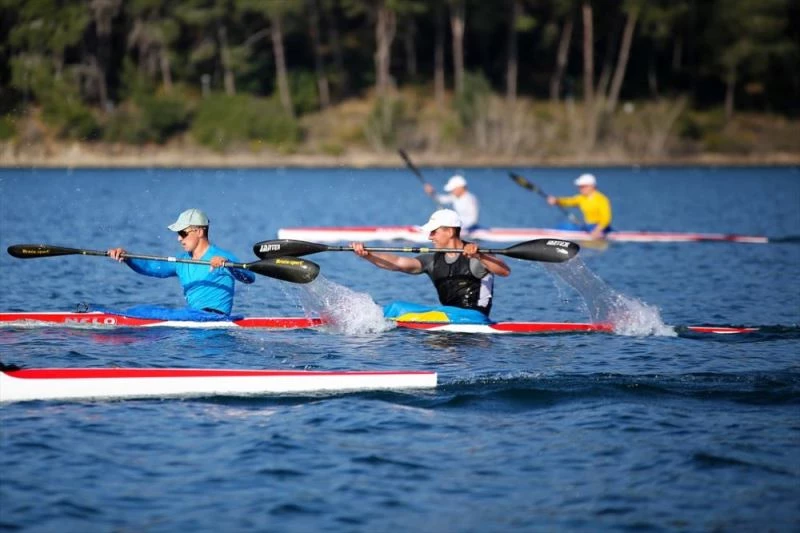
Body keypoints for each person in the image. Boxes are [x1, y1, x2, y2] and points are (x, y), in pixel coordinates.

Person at [352, 209, 509, 323]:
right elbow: (398, 263)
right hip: (447, 316)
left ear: (449, 231)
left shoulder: (477, 255)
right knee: (395, 307)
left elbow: (504, 271)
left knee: (402, 313)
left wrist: (479, 255)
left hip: (474, 317)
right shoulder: (432, 260)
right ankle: (360, 320)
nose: (429, 237)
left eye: (434, 232)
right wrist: (369, 255)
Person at [108, 208, 255, 316]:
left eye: (183, 233)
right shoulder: (181, 261)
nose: (179, 238)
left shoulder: (222, 256)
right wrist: (128, 257)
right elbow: (153, 267)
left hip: (215, 318)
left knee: (150, 313)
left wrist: (228, 265)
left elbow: (250, 277)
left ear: (199, 232)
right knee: (140, 310)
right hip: (193, 318)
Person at [547, 173, 613, 239]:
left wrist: (597, 230)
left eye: (582, 186)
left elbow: (606, 219)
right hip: (588, 227)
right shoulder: (581, 198)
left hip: (601, 227)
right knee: (561, 226)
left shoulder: (602, 199)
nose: (580, 189)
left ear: (591, 186)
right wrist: (556, 200)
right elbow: (569, 201)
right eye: (579, 187)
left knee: (569, 228)